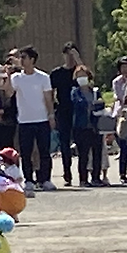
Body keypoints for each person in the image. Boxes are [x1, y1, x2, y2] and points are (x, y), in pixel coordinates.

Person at [9, 46, 55, 191]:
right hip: (24, 121)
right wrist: (8, 75)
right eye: (20, 57)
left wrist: (51, 115)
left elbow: (48, 98)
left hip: (42, 119)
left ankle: (45, 179)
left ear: (32, 59)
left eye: (24, 57)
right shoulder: (16, 78)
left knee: (44, 151)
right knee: (26, 152)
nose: (21, 60)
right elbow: (9, 93)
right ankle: (28, 179)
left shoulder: (43, 77)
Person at [50, 43, 81, 186]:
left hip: (79, 110)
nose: (70, 58)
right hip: (63, 110)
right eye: (67, 54)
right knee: (64, 143)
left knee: (81, 142)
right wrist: (52, 111)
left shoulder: (79, 71)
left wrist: (78, 60)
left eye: (72, 54)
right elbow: (50, 93)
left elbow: (88, 80)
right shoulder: (56, 73)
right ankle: (67, 172)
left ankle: (83, 174)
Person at [69, 65, 104, 186]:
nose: (81, 78)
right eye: (79, 76)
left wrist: (94, 104)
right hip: (81, 127)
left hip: (95, 126)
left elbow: (101, 103)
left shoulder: (95, 91)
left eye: (83, 75)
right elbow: (77, 103)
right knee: (83, 154)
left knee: (97, 153)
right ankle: (83, 179)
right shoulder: (75, 92)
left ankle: (96, 178)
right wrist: (91, 104)